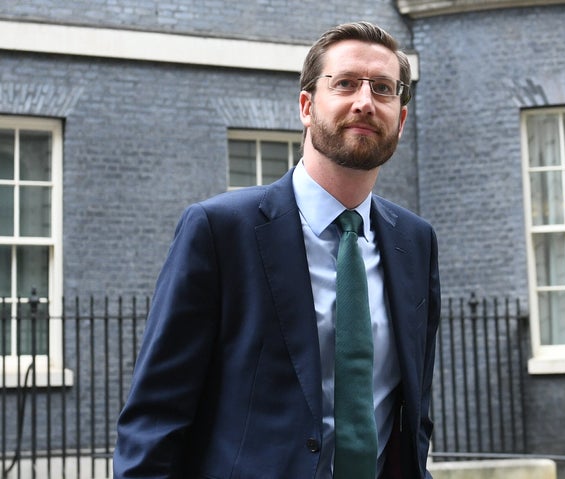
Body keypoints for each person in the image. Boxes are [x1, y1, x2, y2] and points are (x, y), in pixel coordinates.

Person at [113, 21, 440, 479]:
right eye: (344, 83)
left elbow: (412, 415)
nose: (365, 101)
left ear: (401, 120)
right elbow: (154, 419)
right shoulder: (219, 229)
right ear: (307, 106)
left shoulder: (415, 241)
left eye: (383, 89)